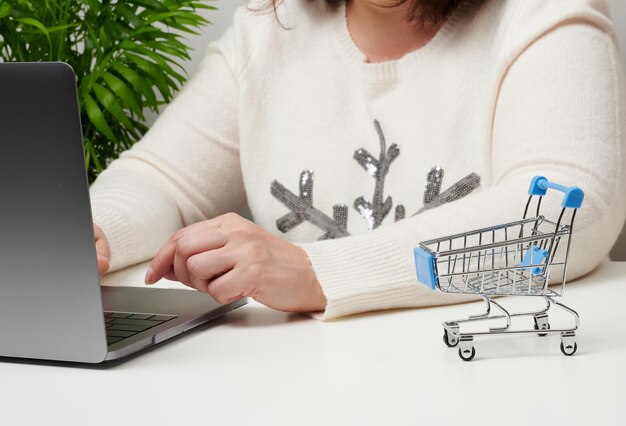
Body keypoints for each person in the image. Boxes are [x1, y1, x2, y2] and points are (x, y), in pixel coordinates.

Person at [90, 0, 626, 320]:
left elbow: (566, 210)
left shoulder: (544, 13)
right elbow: (160, 178)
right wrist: (91, 231)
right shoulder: (270, 30)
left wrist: (319, 273)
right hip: (301, 390)